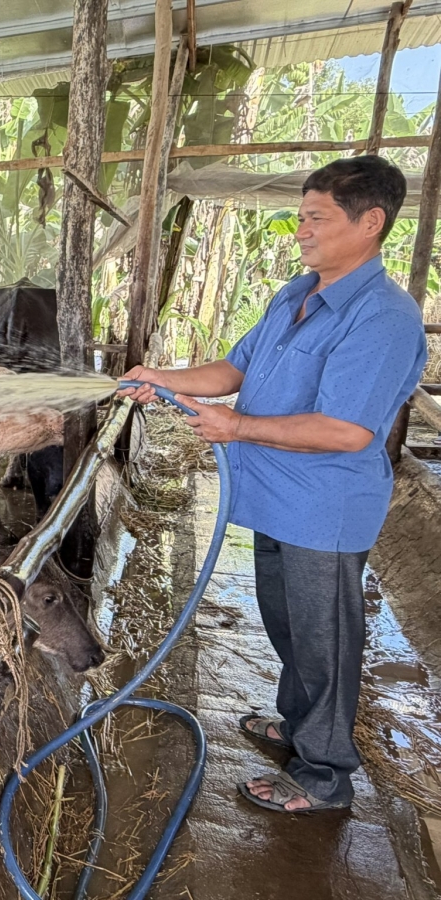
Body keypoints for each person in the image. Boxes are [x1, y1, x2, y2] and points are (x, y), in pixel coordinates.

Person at [118, 155, 428, 813]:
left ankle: (324, 777)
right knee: (287, 626)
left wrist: (237, 429)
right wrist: (165, 378)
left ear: (370, 223)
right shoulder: (295, 293)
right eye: (301, 217)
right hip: (271, 496)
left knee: (324, 643)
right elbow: (234, 367)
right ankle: (297, 724)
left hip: (325, 508)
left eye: (316, 218)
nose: (301, 231)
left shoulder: (382, 317)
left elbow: (348, 432)